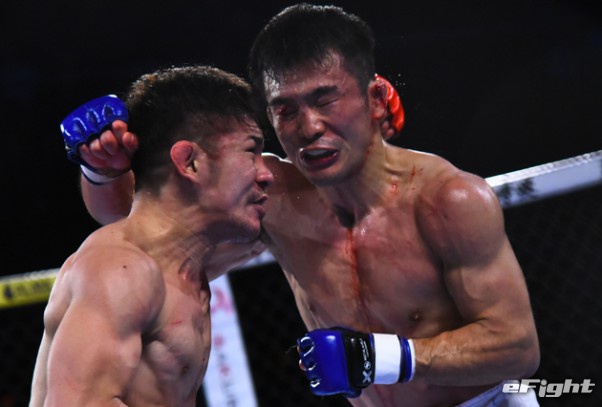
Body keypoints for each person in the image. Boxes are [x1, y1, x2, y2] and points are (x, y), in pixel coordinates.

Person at [66, 4, 540, 406]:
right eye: (286, 110)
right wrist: (103, 168)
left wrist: (381, 358)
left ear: (375, 98)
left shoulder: (447, 200)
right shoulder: (275, 196)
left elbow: (518, 347)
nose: (309, 127)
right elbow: (137, 220)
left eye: (325, 99)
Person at [29, 65, 274, 406]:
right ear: (190, 163)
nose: (266, 174)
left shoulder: (186, 266)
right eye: (251, 151)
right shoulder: (121, 269)